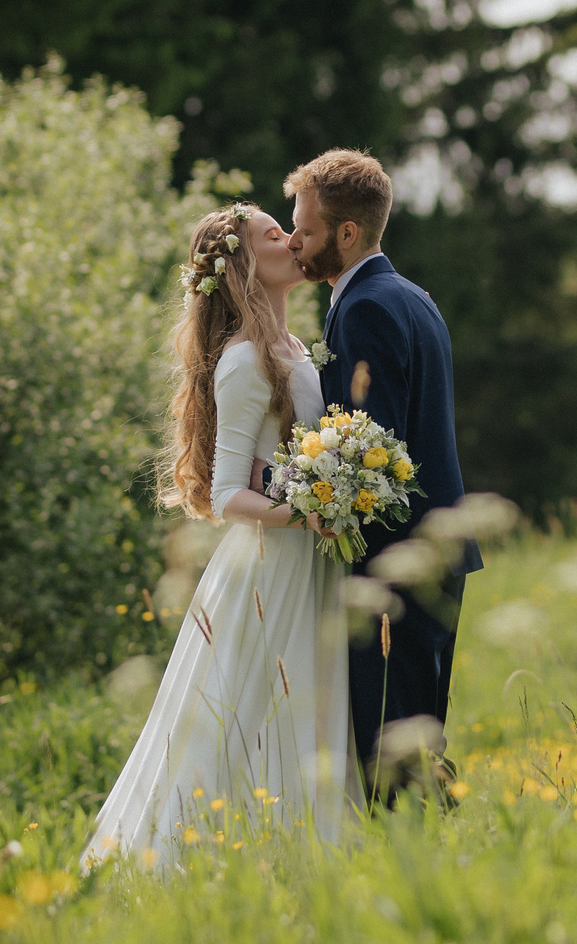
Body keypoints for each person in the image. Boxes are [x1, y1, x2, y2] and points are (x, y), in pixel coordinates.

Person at [81, 204, 354, 872]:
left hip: (312, 561)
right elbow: (227, 493)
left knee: (307, 710)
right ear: (243, 266)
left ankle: (312, 855)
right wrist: (311, 512)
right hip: (271, 566)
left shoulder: (295, 347)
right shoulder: (242, 361)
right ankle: (206, 862)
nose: (292, 240)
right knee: (250, 718)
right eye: (272, 235)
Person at [284, 149, 481, 798]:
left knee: (389, 744)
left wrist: (311, 499)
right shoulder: (411, 296)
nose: (294, 241)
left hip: (396, 557)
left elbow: (373, 446)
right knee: (417, 732)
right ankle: (429, 845)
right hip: (433, 547)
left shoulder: (365, 306)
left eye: (305, 230)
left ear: (346, 233)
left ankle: (409, 853)